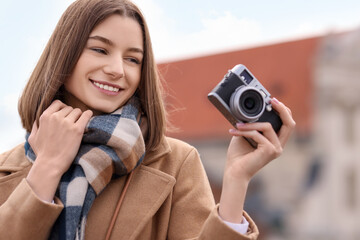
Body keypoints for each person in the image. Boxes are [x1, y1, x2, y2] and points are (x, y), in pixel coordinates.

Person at [0, 0, 296, 239]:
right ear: (65, 56)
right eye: (100, 49)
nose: (117, 69)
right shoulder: (6, 168)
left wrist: (236, 180)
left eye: (133, 59)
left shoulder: (176, 164)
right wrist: (48, 165)